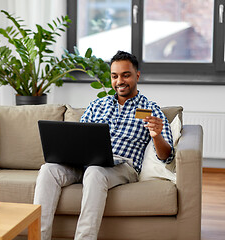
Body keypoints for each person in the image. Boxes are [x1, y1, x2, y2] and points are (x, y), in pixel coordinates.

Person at [33, 51, 174, 240]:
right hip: (84, 162)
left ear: (137, 76)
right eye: (115, 76)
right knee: (48, 169)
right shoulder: (97, 105)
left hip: (121, 166)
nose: (120, 81)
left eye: (126, 75)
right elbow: (77, 138)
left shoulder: (151, 110)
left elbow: (166, 156)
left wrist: (156, 136)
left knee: (95, 172)